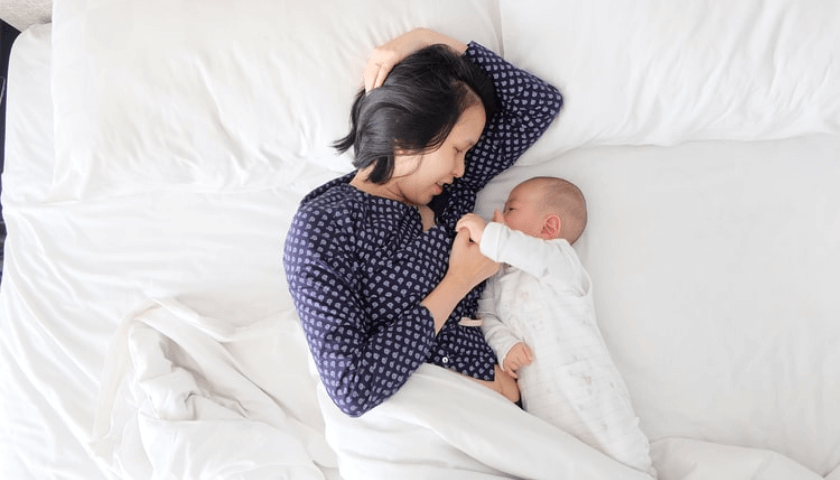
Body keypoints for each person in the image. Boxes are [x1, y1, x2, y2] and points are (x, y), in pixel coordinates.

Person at [283, 28, 563, 418]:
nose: (462, 167)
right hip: (428, 425)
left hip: (506, 418)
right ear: (413, 130)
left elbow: (537, 104)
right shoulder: (324, 225)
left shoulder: (450, 193)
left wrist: (429, 41)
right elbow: (352, 386)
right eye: (458, 149)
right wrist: (458, 282)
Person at [457, 176, 657, 476]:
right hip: (550, 423)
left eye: (510, 209)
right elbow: (488, 318)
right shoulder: (499, 276)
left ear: (548, 228)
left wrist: (489, 234)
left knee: (625, 465)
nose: (499, 215)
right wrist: (506, 345)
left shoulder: (561, 261)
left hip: (598, 408)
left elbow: (526, 252)